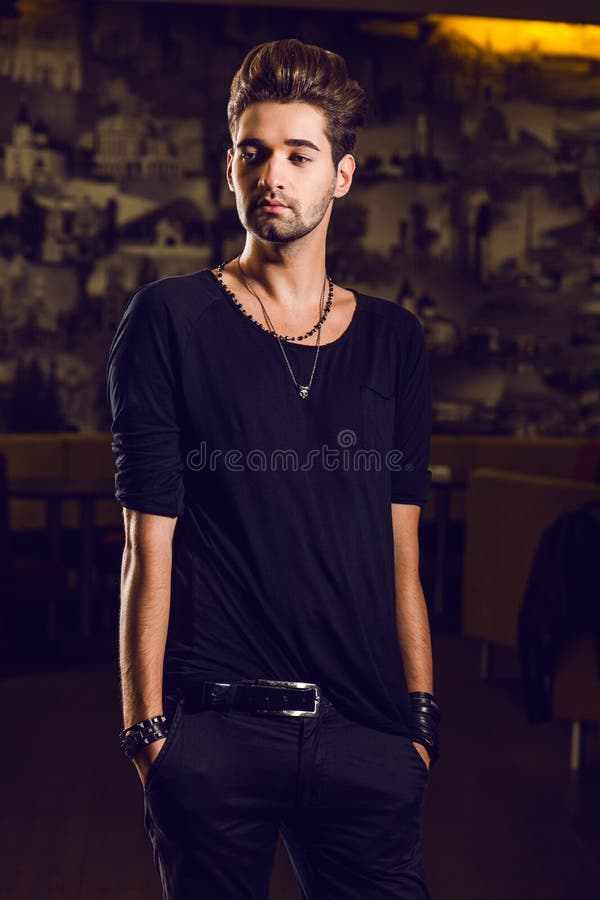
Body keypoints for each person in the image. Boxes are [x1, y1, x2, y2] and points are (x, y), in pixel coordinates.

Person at [107, 37, 440, 900]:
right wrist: (148, 734)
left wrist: (419, 724)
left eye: (300, 154)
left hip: (367, 731)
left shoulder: (395, 341)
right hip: (217, 732)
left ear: (343, 175)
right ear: (229, 167)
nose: (274, 176)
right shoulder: (169, 319)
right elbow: (149, 541)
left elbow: (402, 550)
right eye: (254, 154)